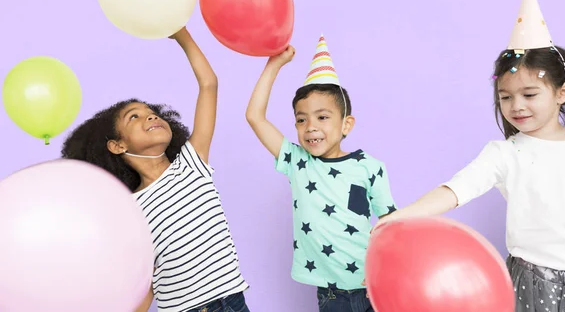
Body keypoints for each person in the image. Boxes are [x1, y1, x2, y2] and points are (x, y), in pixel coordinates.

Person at [376, 0, 565, 312]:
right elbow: (454, 190)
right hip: (532, 285)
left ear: (562, 92)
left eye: (529, 94)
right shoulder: (505, 153)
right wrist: (400, 216)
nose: (517, 106)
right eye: (506, 97)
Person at [61, 26, 250, 312]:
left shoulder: (191, 164)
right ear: (117, 146)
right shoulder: (129, 208)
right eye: (133, 117)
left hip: (234, 301)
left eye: (152, 111)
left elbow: (209, 83)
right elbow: (144, 280)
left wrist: (182, 36)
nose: (150, 115)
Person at [246, 34, 397, 312]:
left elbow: (390, 223)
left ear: (346, 124)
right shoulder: (297, 160)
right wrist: (274, 65)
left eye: (322, 117)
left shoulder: (370, 166)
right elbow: (255, 116)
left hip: (375, 286)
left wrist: (389, 270)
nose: (310, 126)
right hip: (332, 296)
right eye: (301, 120)